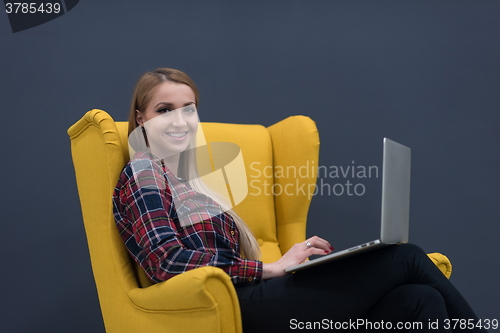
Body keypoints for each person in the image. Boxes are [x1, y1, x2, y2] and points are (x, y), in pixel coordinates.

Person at [112, 68, 487, 332]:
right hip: (232, 309)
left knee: (420, 301)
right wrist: (271, 269)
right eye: (165, 110)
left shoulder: (192, 183)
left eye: (188, 108)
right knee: (404, 257)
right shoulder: (145, 171)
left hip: (254, 297)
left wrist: (284, 267)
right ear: (141, 118)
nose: (180, 120)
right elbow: (167, 259)